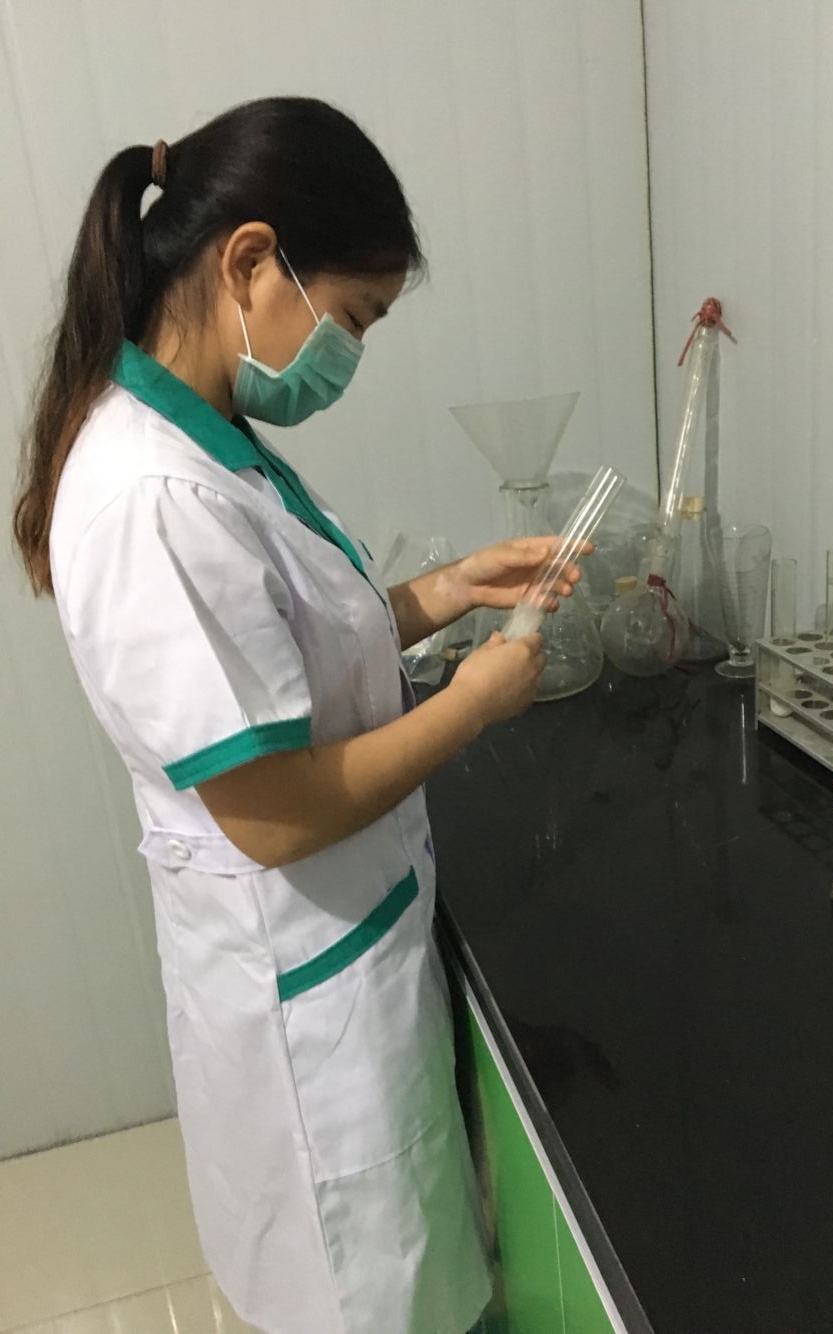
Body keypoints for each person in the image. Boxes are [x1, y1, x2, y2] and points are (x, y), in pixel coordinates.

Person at [12, 96, 580, 1333]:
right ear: (250, 261)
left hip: (337, 946)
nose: (349, 354)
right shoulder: (152, 498)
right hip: (307, 1009)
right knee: (371, 1296)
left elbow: (289, 657)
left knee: (409, 1277)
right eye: (355, 316)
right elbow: (269, 812)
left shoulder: (206, 436)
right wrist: (475, 700)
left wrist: (444, 590)